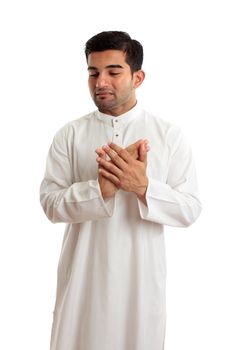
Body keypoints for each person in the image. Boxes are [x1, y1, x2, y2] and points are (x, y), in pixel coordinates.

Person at [40, 31, 202, 350]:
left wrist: (143, 187)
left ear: (137, 77)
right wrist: (99, 190)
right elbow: (50, 203)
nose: (101, 81)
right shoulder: (69, 135)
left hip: (140, 287)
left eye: (113, 72)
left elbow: (190, 208)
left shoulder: (169, 135)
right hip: (82, 284)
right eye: (93, 72)